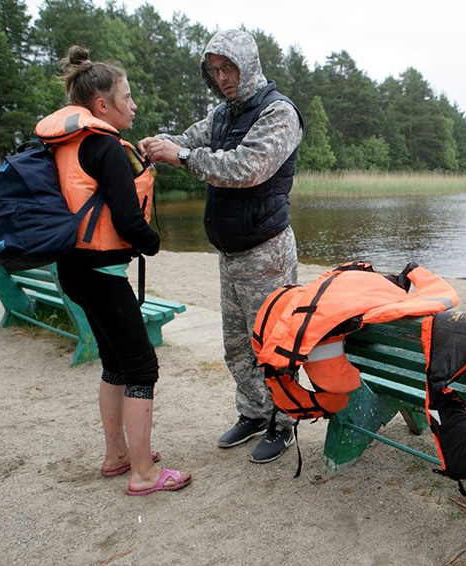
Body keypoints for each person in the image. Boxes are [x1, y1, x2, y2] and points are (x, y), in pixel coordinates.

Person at [139, 30, 303, 464]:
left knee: (273, 343)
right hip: (229, 252)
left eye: (228, 67)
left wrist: (182, 158)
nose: (222, 77)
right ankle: (253, 412)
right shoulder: (222, 114)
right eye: (214, 70)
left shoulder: (278, 113)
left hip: (266, 250)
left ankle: (283, 424)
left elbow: (247, 167)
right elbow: (186, 140)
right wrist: (161, 146)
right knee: (235, 345)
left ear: (247, 63)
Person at [37, 45, 191, 495]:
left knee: (114, 364)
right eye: (127, 97)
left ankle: (118, 455)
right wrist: (152, 242)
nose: (134, 104)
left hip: (73, 270)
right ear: (101, 105)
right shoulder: (105, 146)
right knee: (143, 368)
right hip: (102, 276)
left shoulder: (69, 143)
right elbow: (127, 220)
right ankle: (143, 473)